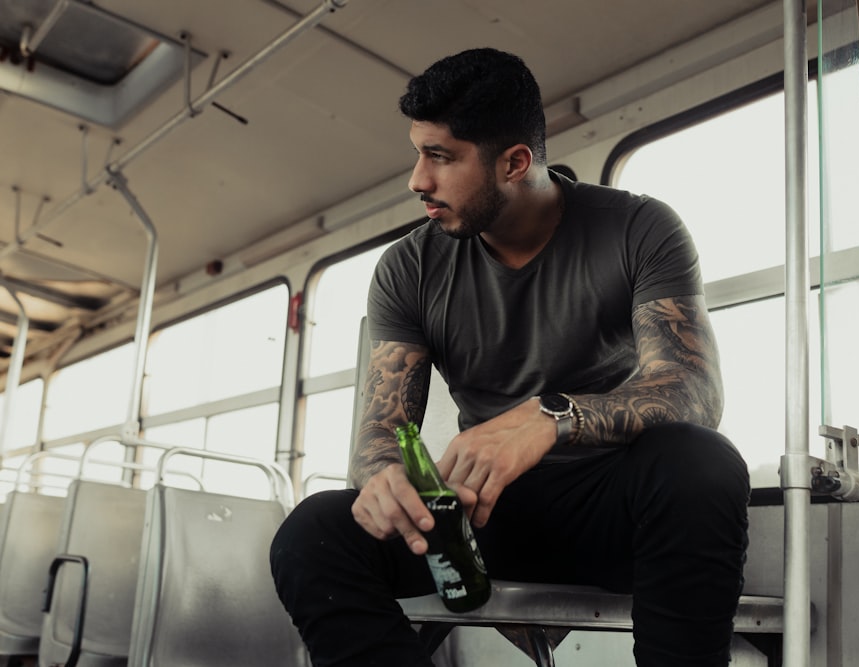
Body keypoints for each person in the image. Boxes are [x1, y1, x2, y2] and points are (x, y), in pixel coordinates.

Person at [271, 47, 750, 666]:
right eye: (419, 153)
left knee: (702, 461)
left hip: (615, 513)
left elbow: (692, 390)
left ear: (515, 162)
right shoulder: (407, 269)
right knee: (313, 531)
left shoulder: (639, 227)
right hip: (480, 521)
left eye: (440, 157)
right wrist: (385, 481)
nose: (418, 179)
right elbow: (380, 433)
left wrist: (549, 417)